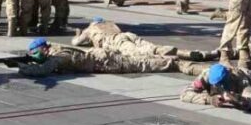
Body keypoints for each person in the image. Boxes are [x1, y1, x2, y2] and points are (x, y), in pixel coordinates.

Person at [15, 38, 204, 77]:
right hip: (104, 56)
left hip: (108, 62)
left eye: (35, 52)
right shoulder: (55, 49)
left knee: (155, 63)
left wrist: (25, 69)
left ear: (43, 49)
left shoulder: (59, 55)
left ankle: (196, 68)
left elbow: (46, 69)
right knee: (148, 55)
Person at [69, 17, 208, 60]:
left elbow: (76, 43)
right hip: (128, 35)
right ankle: (186, 52)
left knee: (140, 54)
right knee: (152, 47)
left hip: (114, 41)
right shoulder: (109, 23)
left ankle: (172, 58)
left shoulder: (89, 29)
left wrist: (77, 34)